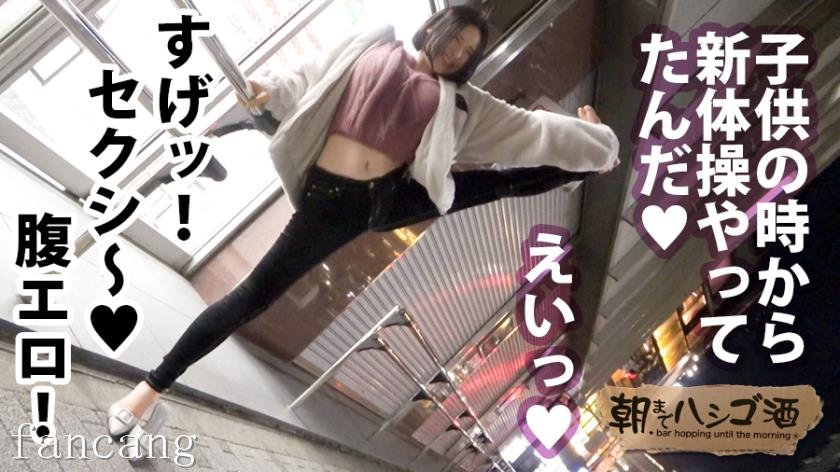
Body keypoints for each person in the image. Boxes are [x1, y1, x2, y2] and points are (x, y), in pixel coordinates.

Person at [106, 5, 620, 436]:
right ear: (434, 26)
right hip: (327, 203)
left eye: (468, 53)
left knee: (499, 182)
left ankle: (590, 162)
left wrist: (599, 144)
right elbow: (306, 78)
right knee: (253, 294)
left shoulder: (461, 102)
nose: (457, 55)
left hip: (385, 198)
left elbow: (533, 129)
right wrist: (265, 89)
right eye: (455, 41)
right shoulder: (373, 40)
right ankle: (149, 389)